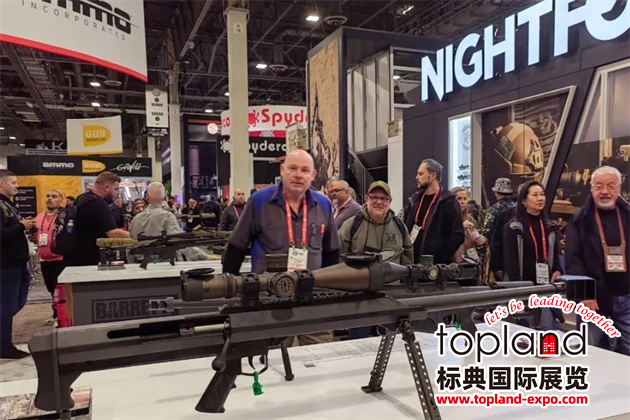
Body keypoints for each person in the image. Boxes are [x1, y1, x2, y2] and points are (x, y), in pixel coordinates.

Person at [223, 150, 340, 346]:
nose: (298, 175)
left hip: (313, 298)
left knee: (319, 355)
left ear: (312, 175)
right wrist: (229, 291)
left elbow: (331, 253)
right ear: (282, 170)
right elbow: (236, 247)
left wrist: (331, 296)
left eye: (304, 170)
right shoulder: (259, 201)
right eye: (292, 168)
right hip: (271, 300)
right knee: (273, 356)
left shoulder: (323, 205)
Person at [566, 166, 630, 355]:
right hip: (593, 300)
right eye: (599, 186)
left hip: (627, 299)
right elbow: (573, 260)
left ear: (619, 187)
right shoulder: (580, 219)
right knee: (592, 350)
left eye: (611, 186)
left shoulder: (627, 215)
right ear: (591, 188)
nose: (605, 191)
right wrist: (584, 294)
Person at [503, 181, 563, 330]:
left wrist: (557, 270)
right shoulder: (514, 227)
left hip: (545, 286)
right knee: (523, 332)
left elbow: (555, 254)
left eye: (542, 194)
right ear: (524, 201)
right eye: (535, 195)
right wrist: (518, 294)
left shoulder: (549, 226)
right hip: (523, 287)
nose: (540, 198)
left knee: (547, 328)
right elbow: (511, 263)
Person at [0, 170, 36, 359]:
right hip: (6, 264)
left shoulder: (8, 204)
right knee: (6, 306)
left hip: (18, 262)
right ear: (1, 183)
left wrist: (26, 228)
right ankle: (4, 346)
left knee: (17, 303)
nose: (17, 186)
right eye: (13, 183)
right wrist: (21, 226)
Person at [129, 182, 213, 262]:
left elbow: (132, 241)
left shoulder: (135, 219)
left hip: (140, 264)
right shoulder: (167, 216)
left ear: (147, 197)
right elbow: (180, 242)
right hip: (162, 264)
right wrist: (205, 256)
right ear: (164, 197)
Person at [402, 159, 464, 264]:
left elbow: (458, 235)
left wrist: (441, 259)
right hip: (412, 263)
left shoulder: (449, 202)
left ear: (433, 175)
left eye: (421, 174)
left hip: (437, 266)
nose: (416, 177)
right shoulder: (415, 200)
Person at [64, 172, 129, 267]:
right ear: (106, 188)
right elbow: (113, 233)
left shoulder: (82, 198)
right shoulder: (99, 204)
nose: (116, 193)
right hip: (89, 259)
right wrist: (135, 236)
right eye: (115, 189)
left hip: (74, 255)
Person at [340, 181, 413, 265]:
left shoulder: (400, 227)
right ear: (366, 199)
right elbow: (339, 259)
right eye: (374, 197)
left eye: (384, 198)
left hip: (391, 274)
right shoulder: (351, 225)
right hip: (359, 273)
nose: (379, 202)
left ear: (390, 201)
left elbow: (408, 262)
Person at [33, 189, 65, 322]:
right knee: (51, 288)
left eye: (54, 196)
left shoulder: (64, 217)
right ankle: (56, 314)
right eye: (48, 196)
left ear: (60, 200)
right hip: (44, 259)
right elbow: (35, 236)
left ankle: (62, 315)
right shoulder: (39, 217)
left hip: (60, 259)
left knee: (60, 289)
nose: (49, 199)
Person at [451, 187, 486, 265]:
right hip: (451, 262)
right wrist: (460, 227)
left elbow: (476, 236)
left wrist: (481, 239)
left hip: (469, 261)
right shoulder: (446, 218)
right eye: (459, 199)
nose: (463, 202)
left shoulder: (469, 218)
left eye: (465, 198)